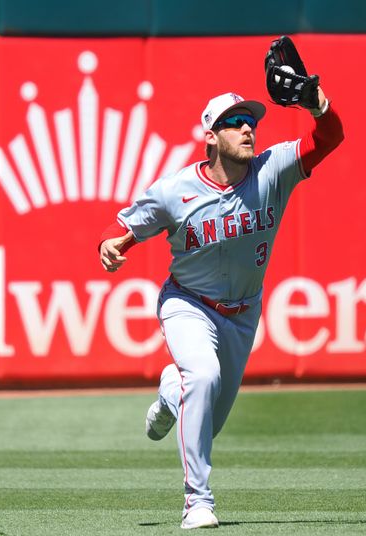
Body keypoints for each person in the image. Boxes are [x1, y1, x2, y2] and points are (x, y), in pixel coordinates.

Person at [98, 84, 344, 529]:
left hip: (242, 313)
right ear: (211, 135)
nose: (247, 128)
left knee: (205, 424)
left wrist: (317, 104)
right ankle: (197, 502)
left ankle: (172, 393)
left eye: (251, 120)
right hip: (188, 303)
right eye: (234, 122)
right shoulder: (176, 190)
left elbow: (329, 139)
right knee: (204, 377)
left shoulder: (274, 169)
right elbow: (128, 226)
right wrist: (112, 245)